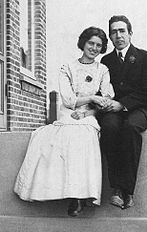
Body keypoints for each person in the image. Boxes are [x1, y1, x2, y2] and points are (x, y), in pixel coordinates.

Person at [14, 26, 114, 217]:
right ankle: (67, 193)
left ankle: (82, 195)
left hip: (89, 116)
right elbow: (68, 100)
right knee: (57, 139)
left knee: (84, 136)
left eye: (98, 45)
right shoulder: (67, 67)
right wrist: (93, 97)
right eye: (91, 43)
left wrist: (90, 109)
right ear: (83, 43)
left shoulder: (103, 69)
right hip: (68, 114)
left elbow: (108, 96)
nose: (93, 48)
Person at [97, 15, 147, 209]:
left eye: (122, 31)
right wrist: (107, 104)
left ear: (130, 33)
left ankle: (128, 190)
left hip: (140, 109)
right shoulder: (106, 60)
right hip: (114, 110)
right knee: (109, 126)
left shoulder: (144, 57)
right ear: (110, 36)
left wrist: (122, 104)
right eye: (114, 32)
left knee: (131, 127)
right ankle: (116, 188)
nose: (118, 35)